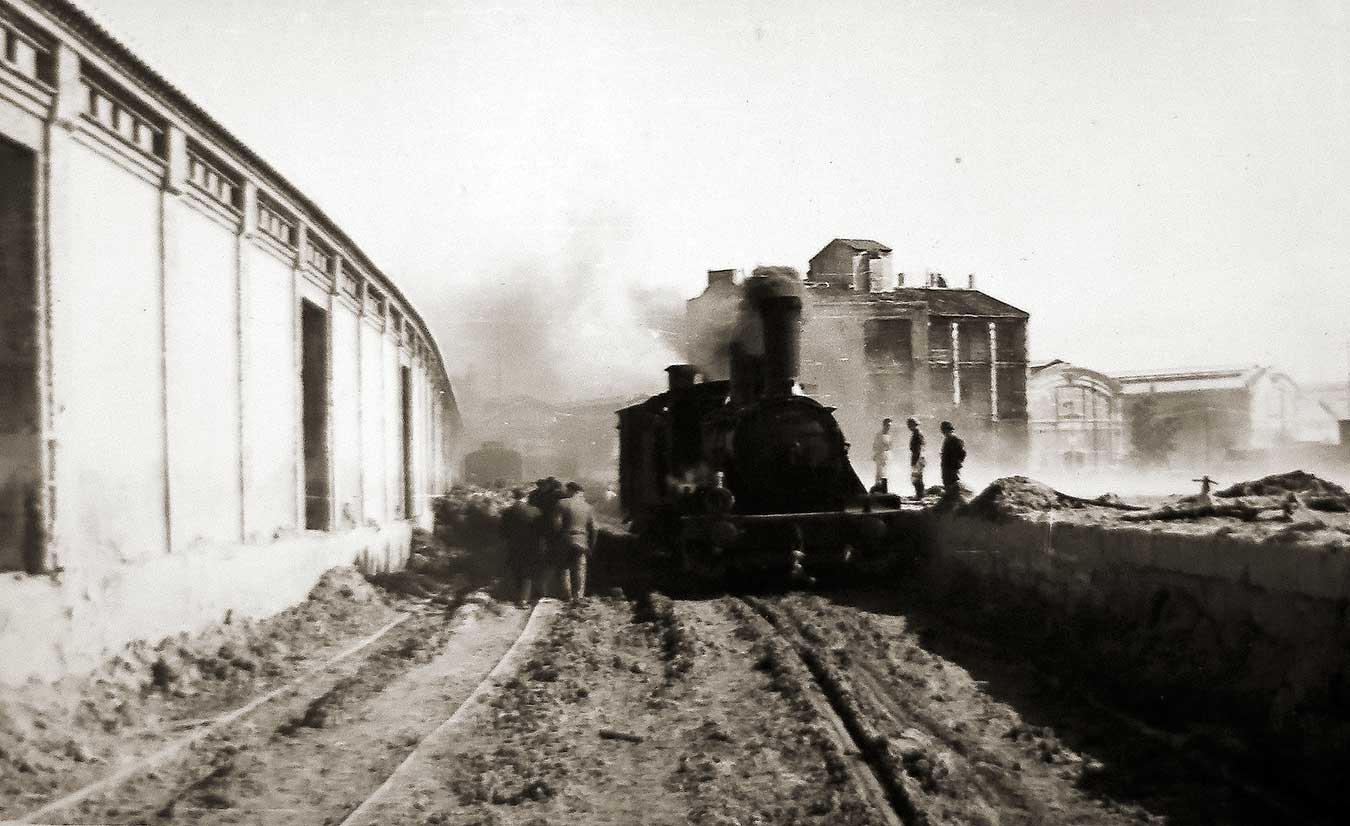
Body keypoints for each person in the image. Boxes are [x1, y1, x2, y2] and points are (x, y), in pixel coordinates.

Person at [553, 481, 597, 604]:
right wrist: (591, 545)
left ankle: (566, 595)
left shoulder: (561, 503)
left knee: (564, 567)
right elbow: (594, 528)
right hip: (582, 541)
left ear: (571, 491)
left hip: (565, 539)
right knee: (579, 569)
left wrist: (557, 538)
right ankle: (578, 596)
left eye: (567, 490)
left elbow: (557, 524)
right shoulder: (588, 507)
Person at [499, 488, 543, 608]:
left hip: (513, 545)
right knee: (527, 572)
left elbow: (502, 531)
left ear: (514, 497)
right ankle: (524, 599)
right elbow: (541, 530)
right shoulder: (535, 511)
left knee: (516, 568)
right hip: (531, 545)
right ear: (526, 497)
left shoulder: (507, 512)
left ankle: (516, 595)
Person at [939, 421, 966, 500]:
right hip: (948, 466)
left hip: (951, 466)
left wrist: (956, 462)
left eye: (943, 430)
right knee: (948, 482)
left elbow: (962, 453)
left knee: (952, 483)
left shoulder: (953, 439)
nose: (943, 432)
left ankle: (954, 501)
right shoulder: (949, 439)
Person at [871, 418, 894, 492]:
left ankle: (884, 489)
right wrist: (877, 454)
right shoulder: (879, 434)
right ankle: (878, 488)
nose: (888, 427)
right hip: (880, 455)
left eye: (889, 426)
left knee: (886, 473)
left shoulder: (890, 435)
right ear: (884, 425)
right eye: (887, 425)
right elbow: (875, 446)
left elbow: (890, 445)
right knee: (879, 473)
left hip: (887, 455)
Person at [906, 417, 926, 499]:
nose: (909, 427)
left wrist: (916, 460)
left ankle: (919, 495)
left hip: (918, 457)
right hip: (918, 457)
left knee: (916, 477)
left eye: (910, 425)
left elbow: (919, 447)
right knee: (917, 476)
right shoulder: (916, 433)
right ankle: (919, 494)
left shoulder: (917, 433)